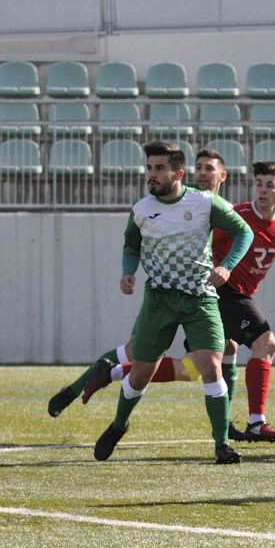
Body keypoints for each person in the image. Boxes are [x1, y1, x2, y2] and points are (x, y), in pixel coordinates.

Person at [83, 161, 275, 443]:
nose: (262, 190)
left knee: (193, 368)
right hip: (220, 291)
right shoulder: (239, 216)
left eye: (269, 185)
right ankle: (256, 422)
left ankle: (113, 372)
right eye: (258, 183)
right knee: (266, 344)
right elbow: (203, 241)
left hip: (231, 296)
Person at [93, 141, 253, 464]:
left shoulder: (206, 202)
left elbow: (244, 232)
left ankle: (221, 444)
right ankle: (119, 424)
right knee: (140, 374)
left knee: (210, 366)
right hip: (159, 300)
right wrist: (128, 272)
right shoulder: (141, 209)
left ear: (178, 173)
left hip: (200, 298)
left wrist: (225, 266)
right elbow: (130, 247)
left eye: (159, 168)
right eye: (149, 167)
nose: (151, 174)